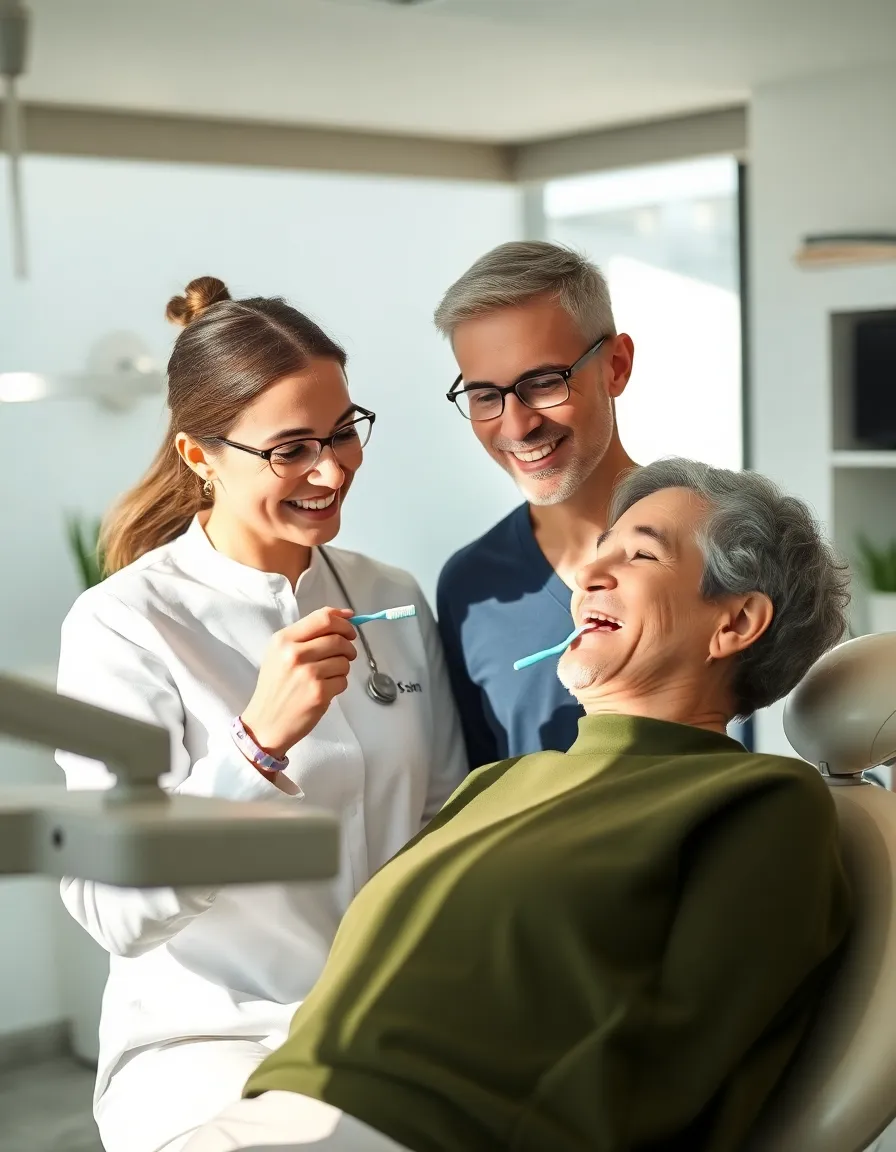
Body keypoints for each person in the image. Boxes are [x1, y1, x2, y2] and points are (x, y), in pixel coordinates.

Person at [186, 457, 853, 1152]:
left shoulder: (764, 805)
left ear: (736, 621)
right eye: (602, 550)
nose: (590, 574)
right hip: (270, 1111)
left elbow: (668, 1074)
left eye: (642, 554)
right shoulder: (498, 784)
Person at [54, 277, 467, 1152]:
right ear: (199, 457)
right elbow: (113, 911)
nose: (331, 469)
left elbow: (441, 828)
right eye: (291, 449)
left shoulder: (389, 597)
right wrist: (253, 745)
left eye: (344, 430)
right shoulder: (123, 624)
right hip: (210, 1052)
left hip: (388, 1036)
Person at [435, 240, 638, 768]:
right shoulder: (471, 587)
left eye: (545, 382)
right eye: (484, 395)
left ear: (615, 366)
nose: (518, 425)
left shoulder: (724, 541)